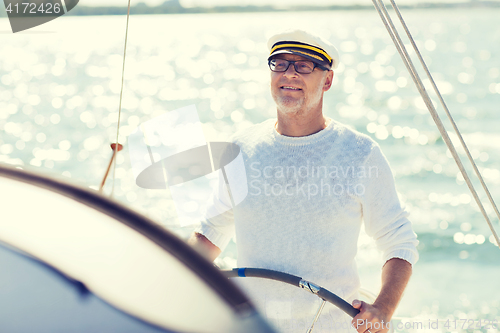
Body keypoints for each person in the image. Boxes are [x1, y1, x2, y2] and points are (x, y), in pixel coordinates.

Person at [188, 29, 418, 333]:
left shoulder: (360, 153)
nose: (289, 74)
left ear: (328, 80)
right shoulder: (241, 148)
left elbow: (398, 241)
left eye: (304, 65)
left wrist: (383, 308)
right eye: (280, 64)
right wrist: (171, 270)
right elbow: (212, 233)